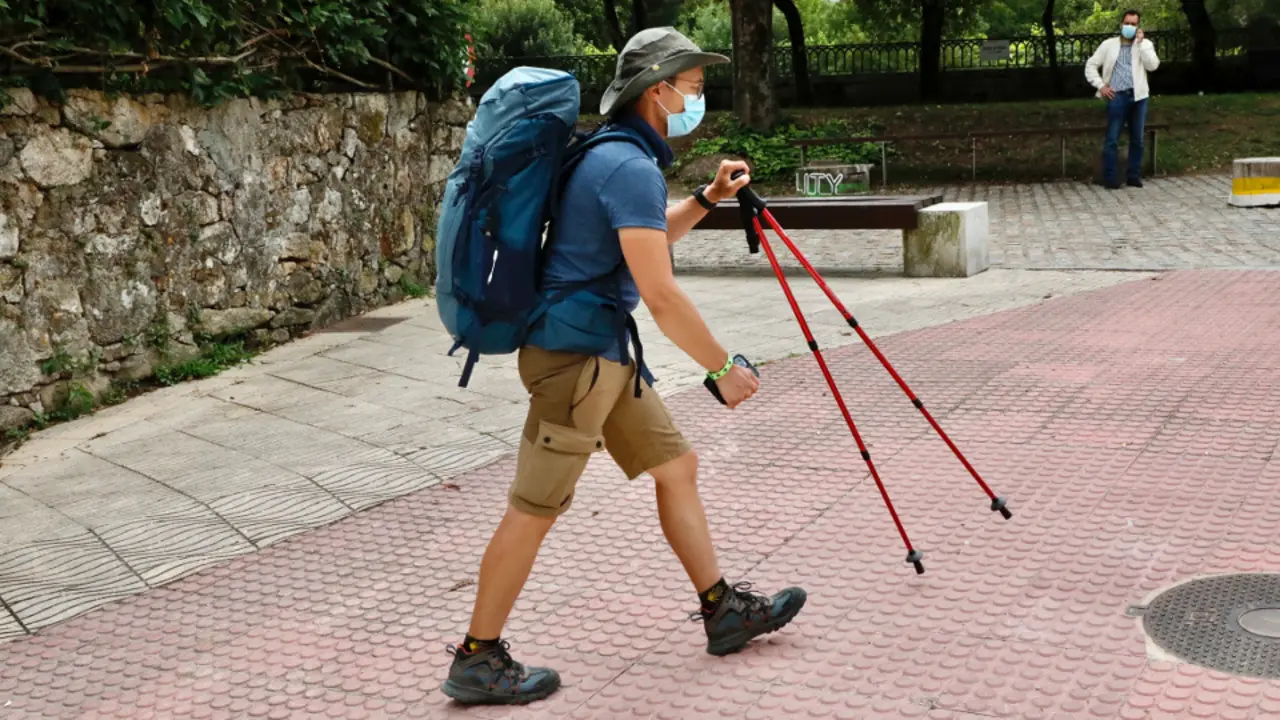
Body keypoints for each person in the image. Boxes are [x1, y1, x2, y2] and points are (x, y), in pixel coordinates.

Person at [439, 27, 808, 706]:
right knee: (534, 507)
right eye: (691, 83)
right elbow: (662, 294)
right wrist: (721, 366)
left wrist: (707, 199)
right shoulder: (629, 165)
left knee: (676, 466)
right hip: (576, 364)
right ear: (657, 87)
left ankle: (720, 609)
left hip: (599, 355)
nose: (697, 93)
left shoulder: (607, 154)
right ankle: (477, 656)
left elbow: (642, 233)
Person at [1085, 9, 1160, 189]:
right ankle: (1110, 178)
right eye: (1127, 23)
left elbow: (1153, 66)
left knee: (1137, 139)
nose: (1130, 27)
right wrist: (1101, 85)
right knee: (1112, 138)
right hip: (1117, 95)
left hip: (1139, 96)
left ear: (1138, 26)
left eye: (1134, 24)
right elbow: (1091, 65)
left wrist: (1141, 44)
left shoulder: (1145, 44)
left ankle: (1133, 176)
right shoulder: (1109, 45)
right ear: (1121, 24)